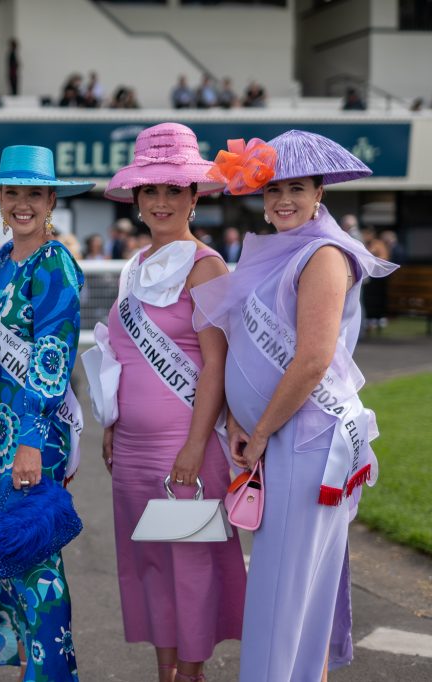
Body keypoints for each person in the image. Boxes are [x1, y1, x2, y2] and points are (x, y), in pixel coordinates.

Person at [197, 130, 397, 681]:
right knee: (290, 589)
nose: (283, 199)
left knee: (282, 591)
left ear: (319, 194)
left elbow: (312, 361)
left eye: (298, 188)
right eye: (274, 189)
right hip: (274, 434)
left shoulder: (325, 255)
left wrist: (259, 431)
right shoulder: (273, 250)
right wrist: (238, 418)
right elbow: (242, 346)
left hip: (304, 441)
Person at [93, 122, 247, 682]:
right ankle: (165, 672)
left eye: (174, 191)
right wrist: (112, 424)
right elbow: (124, 356)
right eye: (151, 191)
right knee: (150, 565)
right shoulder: (135, 267)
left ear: (194, 196)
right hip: (132, 450)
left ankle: (192, 673)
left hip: (184, 449)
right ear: (136, 200)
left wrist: (195, 445)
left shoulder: (206, 266)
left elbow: (215, 365)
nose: (161, 201)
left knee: (190, 566)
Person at [0, 145, 91, 681]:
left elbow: (53, 359)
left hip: (31, 437)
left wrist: (33, 441)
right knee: (5, 557)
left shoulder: (53, 263)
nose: (21, 203)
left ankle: (51, 675)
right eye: (11, 192)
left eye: (33, 193)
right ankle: (23, 669)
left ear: (51, 199)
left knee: (37, 561)